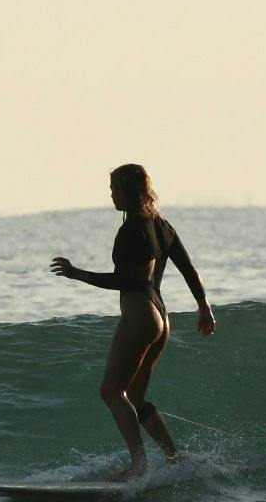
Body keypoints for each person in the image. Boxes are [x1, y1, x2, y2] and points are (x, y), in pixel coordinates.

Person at [49, 164, 215, 480]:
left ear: (127, 190)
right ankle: (174, 459)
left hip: (140, 314)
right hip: (161, 318)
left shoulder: (130, 230)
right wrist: (204, 307)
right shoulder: (163, 225)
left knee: (111, 391)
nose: (111, 194)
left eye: (114, 188)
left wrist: (77, 274)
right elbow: (189, 270)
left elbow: (124, 280)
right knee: (135, 397)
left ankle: (139, 466)